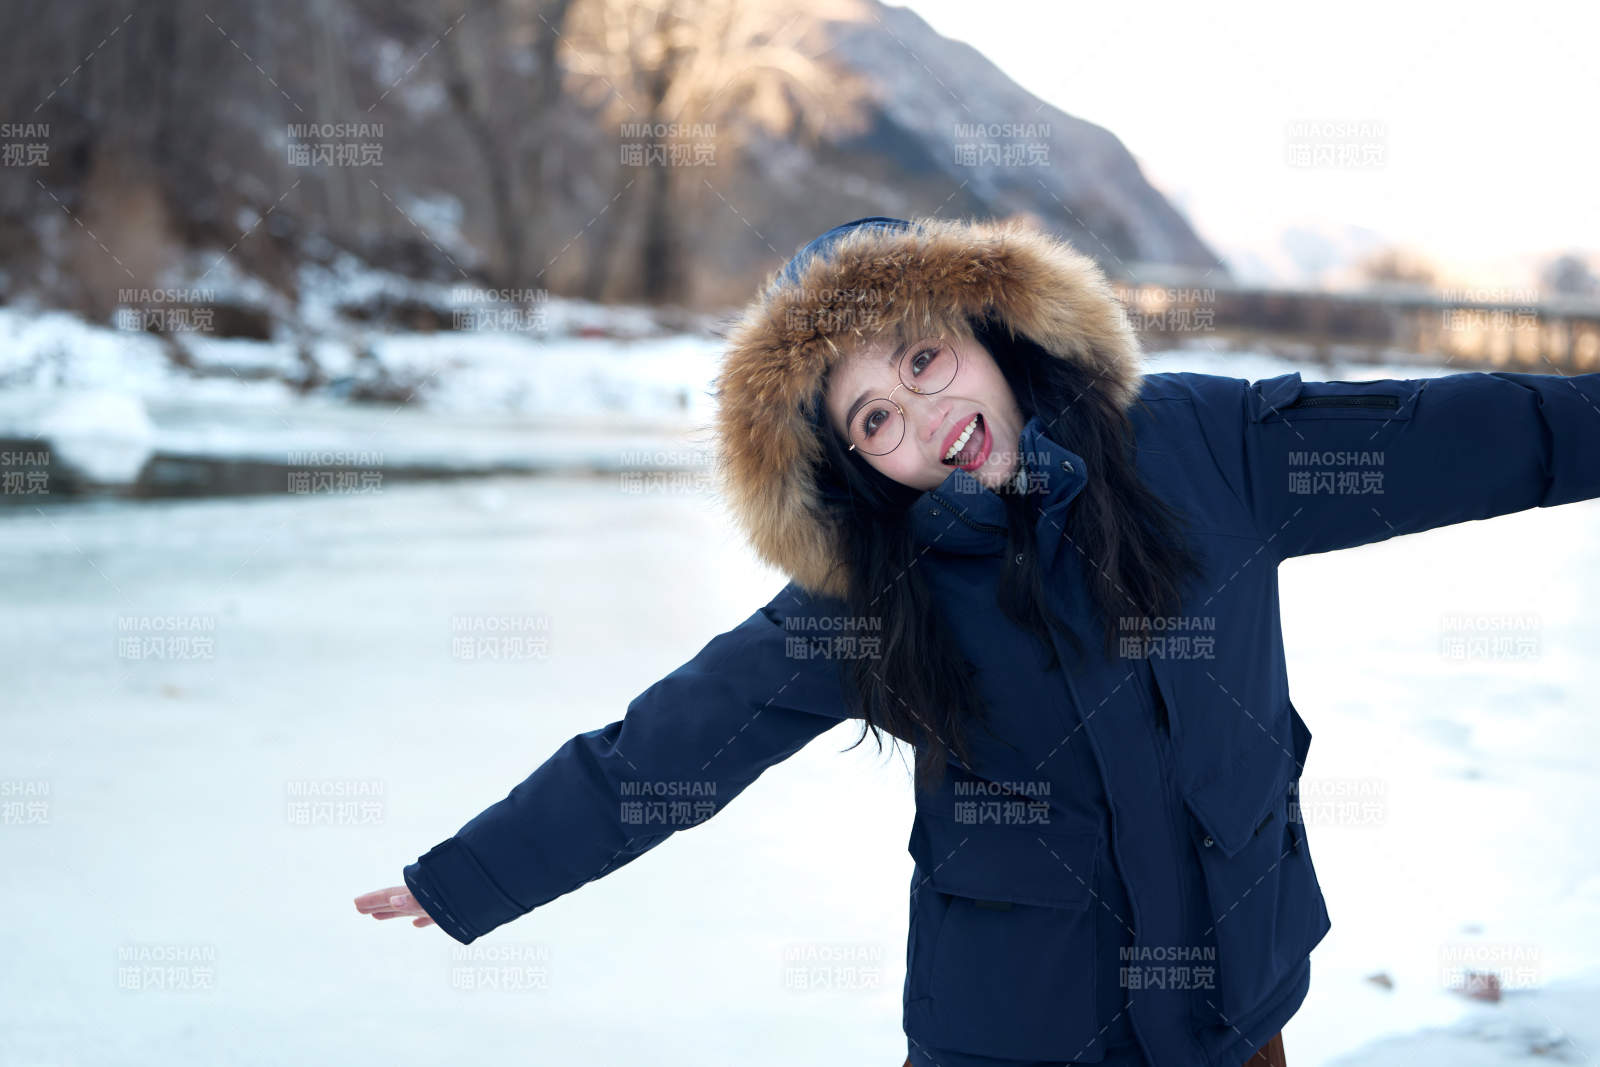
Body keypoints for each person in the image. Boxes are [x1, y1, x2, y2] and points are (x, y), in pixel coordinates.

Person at [356, 215, 1600, 1066]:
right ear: (854, 466)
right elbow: (667, 748)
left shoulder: (1207, 449)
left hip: (1233, 1000)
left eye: (925, 354)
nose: (927, 412)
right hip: (1019, 1027)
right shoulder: (871, 592)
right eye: (877, 417)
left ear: (993, 330)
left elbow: (1483, 432)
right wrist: (471, 874)